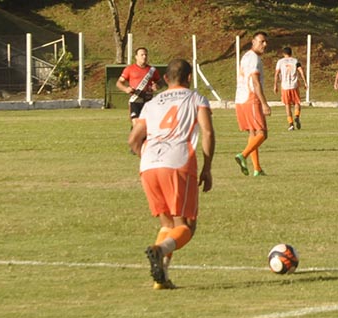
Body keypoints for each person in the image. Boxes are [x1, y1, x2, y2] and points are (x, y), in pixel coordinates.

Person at [128, 59, 214, 290]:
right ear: (189, 78)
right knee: (186, 225)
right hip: (177, 161)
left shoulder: (152, 103)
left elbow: (133, 140)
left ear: (165, 79)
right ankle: (161, 250)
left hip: (148, 164)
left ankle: (161, 279)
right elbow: (207, 131)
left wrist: (147, 158)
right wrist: (207, 167)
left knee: (167, 223)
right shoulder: (196, 98)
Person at [234, 32, 271, 176]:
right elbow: (255, 82)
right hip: (251, 98)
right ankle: (243, 155)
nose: (265, 45)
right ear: (253, 41)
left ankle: (257, 169)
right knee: (263, 133)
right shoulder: (254, 58)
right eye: (262, 41)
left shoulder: (246, 56)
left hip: (240, 99)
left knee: (253, 132)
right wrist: (264, 103)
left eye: (266, 42)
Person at [116, 47, 165, 124]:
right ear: (136, 57)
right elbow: (119, 83)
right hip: (135, 100)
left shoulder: (152, 70)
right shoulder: (129, 69)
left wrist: (157, 86)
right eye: (142, 55)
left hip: (148, 101)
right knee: (136, 123)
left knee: (147, 125)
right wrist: (126, 89)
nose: (144, 57)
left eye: (146, 55)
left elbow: (161, 82)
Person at [274, 47, 307, 131]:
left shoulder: (280, 62)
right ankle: (297, 116)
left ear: (283, 54)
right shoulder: (295, 61)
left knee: (287, 105)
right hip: (294, 85)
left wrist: (275, 85)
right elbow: (301, 71)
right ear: (291, 53)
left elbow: (277, 73)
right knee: (297, 102)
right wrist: (305, 82)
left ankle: (291, 124)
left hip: (285, 87)